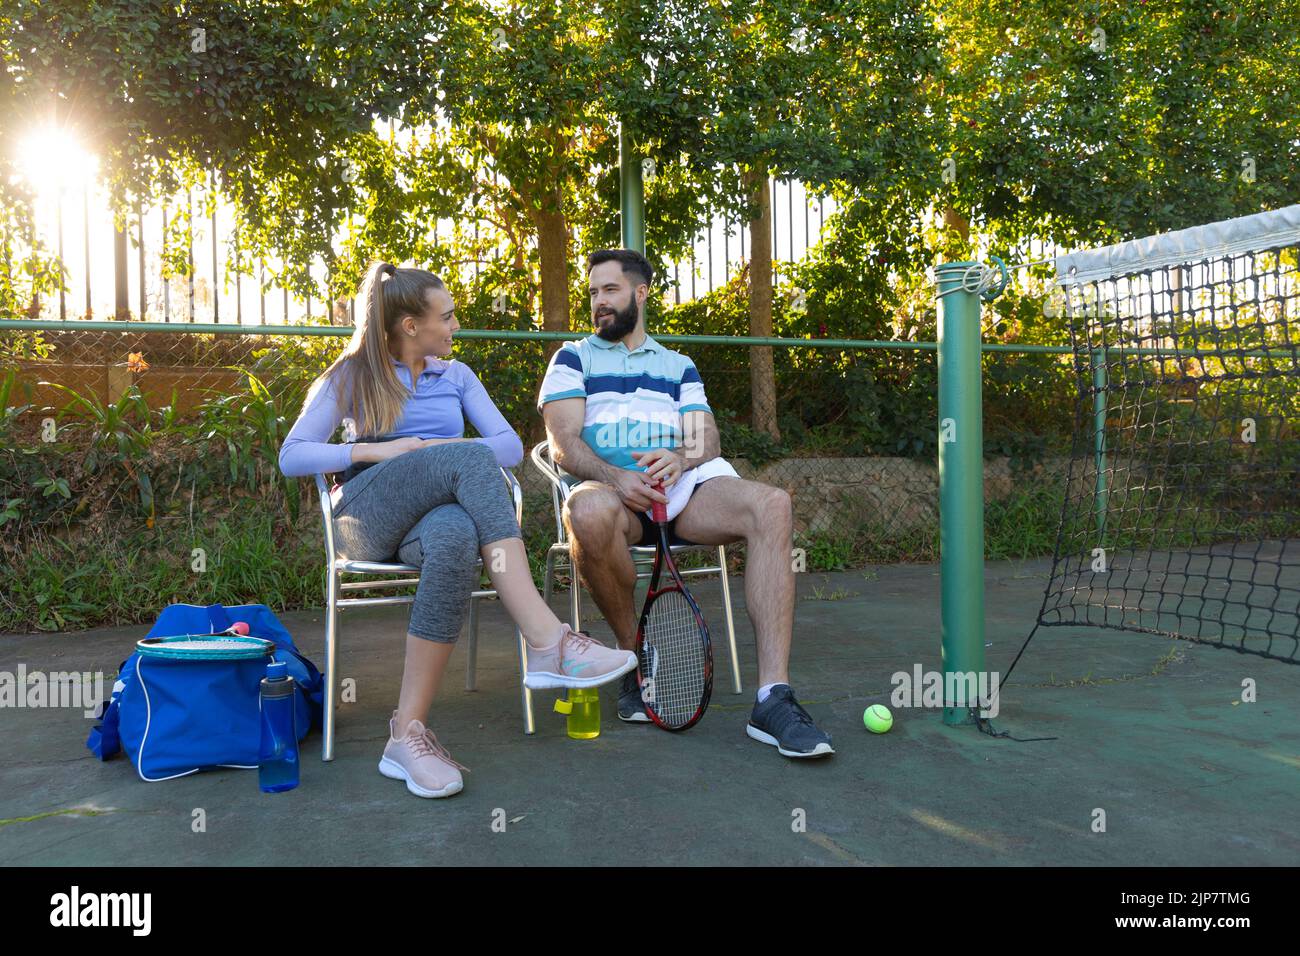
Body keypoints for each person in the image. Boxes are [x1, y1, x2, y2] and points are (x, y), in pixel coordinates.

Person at [279, 261, 636, 798]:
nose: (454, 327)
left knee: (453, 536)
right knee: (467, 459)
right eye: (445, 318)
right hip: (367, 515)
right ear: (408, 326)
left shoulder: (457, 375)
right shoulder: (349, 375)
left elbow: (510, 447)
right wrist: (383, 449)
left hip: (427, 520)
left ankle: (406, 733)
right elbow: (293, 455)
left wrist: (434, 452)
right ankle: (547, 640)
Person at [538, 249, 833, 758]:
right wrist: (616, 477)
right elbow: (564, 444)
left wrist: (679, 456)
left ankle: (773, 699)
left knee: (773, 504)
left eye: (610, 290)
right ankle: (635, 659)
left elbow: (707, 440)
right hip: (611, 495)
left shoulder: (678, 365)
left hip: (686, 493)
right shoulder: (572, 358)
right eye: (593, 293)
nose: (599, 303)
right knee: (584, 511)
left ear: (640, 292)